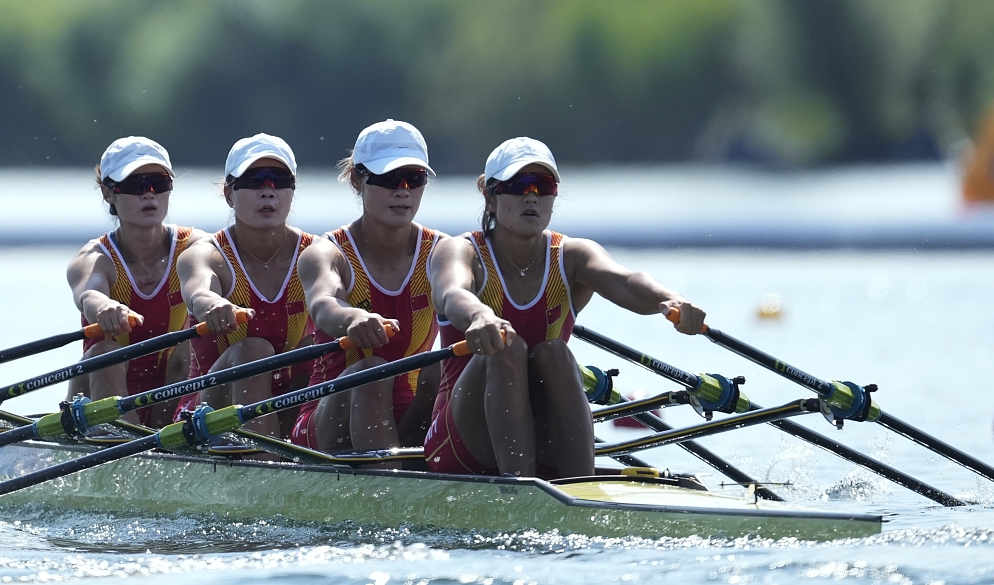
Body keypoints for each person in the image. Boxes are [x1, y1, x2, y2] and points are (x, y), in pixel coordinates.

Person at [425, 137, 708, 480]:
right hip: (459, 445)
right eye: (517, 185)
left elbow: (625, 280)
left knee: (555, 354)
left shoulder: (573, 256)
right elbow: (452, 292)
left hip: (540, 439)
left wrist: (669, 298)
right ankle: (522, 490)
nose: (531, 195)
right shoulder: (459, 251)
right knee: (507, 346)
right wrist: (480, 315)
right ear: (490, 195)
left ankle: (581, 487)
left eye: (543, 185)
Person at [295, 120, 444, 452]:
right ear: (356, 180)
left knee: (442, 365)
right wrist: (352, 319)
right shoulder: (325, 253)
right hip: (328, 417)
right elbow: (323, 303)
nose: (402, 190)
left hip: (411, 413)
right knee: (372, 369)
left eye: (414, 179)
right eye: (389, 179)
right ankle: (391, 488)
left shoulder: (444, 252)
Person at [177, 133, 318, 434]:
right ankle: (264, 461)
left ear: (292, 191)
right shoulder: (206, 254)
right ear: (229, 194)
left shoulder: (317, 254)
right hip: (206, 412)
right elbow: (198, 291)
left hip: (289, 401)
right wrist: (212, 304)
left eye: (279, 180)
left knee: (316, 348)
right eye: (254, 180)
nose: (268, 191)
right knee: (253, 349)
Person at [64, 136, 203, 425]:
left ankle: (169, 439)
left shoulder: (197, 247)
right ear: (108, 193)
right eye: (134, 185)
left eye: (159, 183)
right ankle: (116, 435)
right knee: (105, 352)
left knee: (189, 347)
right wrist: (102, 306)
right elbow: (89, 293)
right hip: (101, 393)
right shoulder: (93, 258)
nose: (149, 194)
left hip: (173, 392)